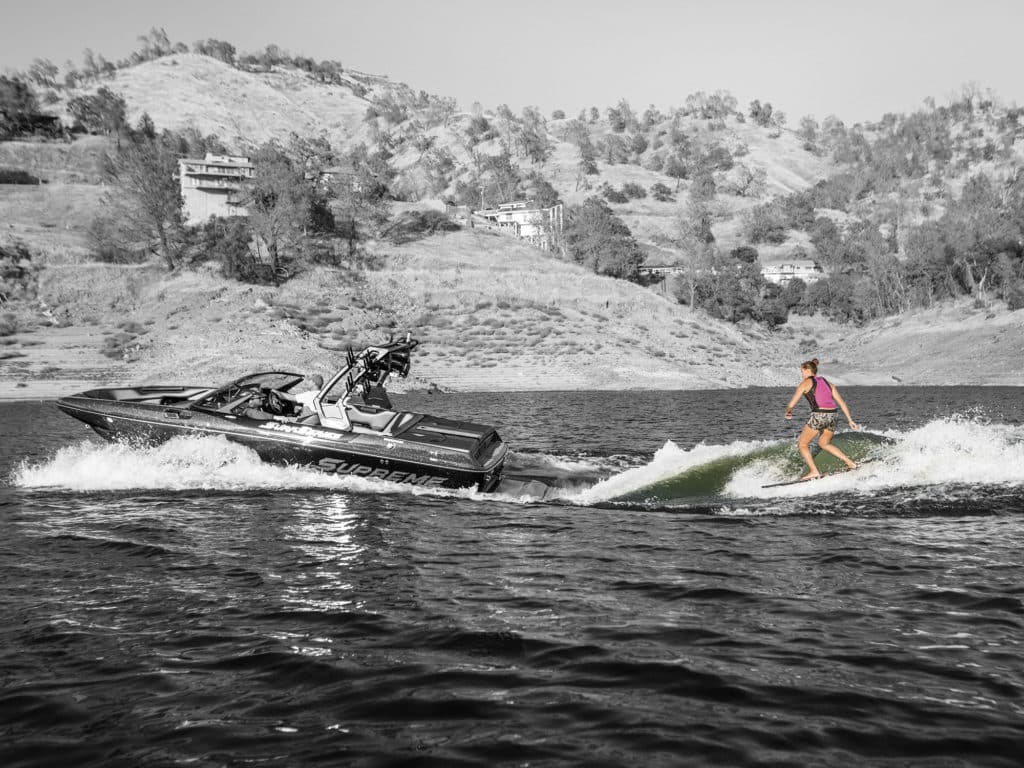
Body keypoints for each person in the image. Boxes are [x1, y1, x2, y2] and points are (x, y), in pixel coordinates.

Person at [784, 358, 859, 480]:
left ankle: (814, 471)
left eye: (802, 371)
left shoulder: (805, 383)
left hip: (820, 415)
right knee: (823, 443)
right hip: (833, 415)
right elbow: (842, 403)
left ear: (808, 370)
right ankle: (850, 463)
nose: (801, 374)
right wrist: (850, 420)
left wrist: (788, 412)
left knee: (802, 444)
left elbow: (791, 404)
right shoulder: (829, 384)